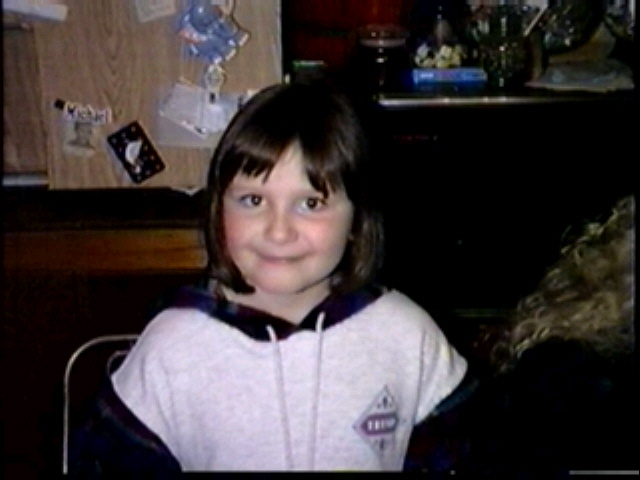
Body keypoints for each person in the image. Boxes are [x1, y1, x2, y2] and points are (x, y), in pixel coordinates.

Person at [69, 82, 467, 473]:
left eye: (311, 203)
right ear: (218, 210)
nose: (278, 232)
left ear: (357, 220)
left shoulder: (407, 337)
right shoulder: (171, 349)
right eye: (253, 200)